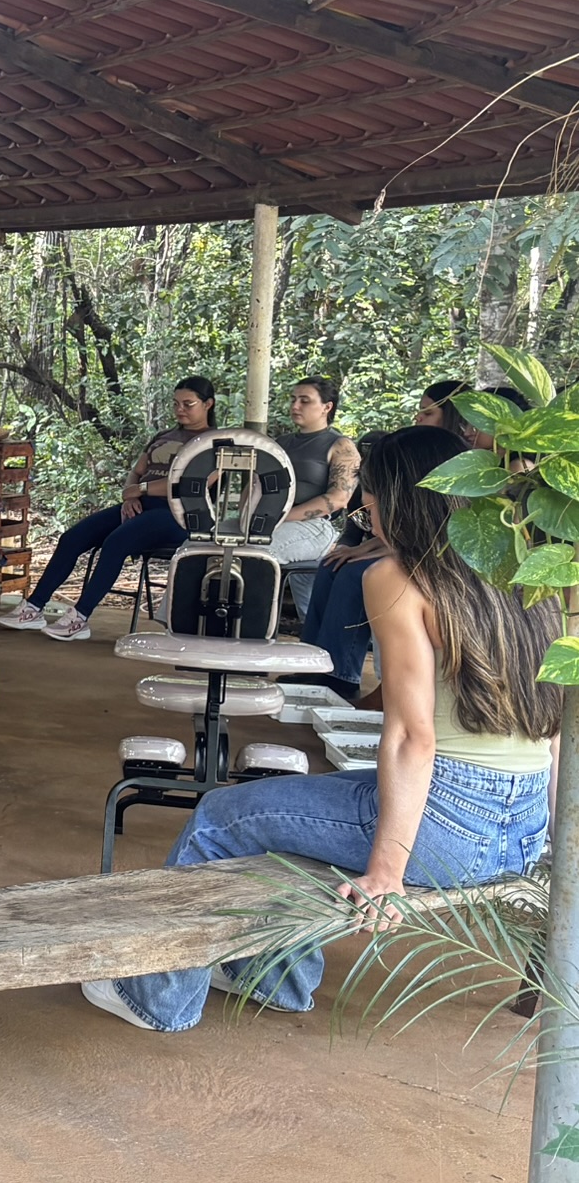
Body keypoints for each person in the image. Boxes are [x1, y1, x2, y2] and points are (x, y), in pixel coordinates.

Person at [83, 424, 556, 1032]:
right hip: (521, 829)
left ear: (402, 502)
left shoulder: (398, 578)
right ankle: (273, 976)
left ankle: (157, 997)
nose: (367, 514)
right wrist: (551, 839)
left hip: (443, 824)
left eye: (371, 501)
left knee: (220, 818)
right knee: (284, 811)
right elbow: (554, 731)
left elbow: (411, 736)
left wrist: (386, 873)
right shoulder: (527, 570)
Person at [0, 375, 217, 643]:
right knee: (72, 538)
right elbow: (137, 471)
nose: (180, 409)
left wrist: (142, 490)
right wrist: (130, 496)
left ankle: (79, 617)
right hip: (140, 506)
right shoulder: (164, 436)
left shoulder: (214, 442)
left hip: (178, 515)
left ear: (208, 404)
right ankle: (34, 607)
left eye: (188, 404)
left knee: (116, 542)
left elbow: (193, 484)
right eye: (176, 403)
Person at [287, 380, 468, 700]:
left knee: (357, 574)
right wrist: (355, 547)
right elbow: (383, 519)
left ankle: (341, 673)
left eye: (428, 413)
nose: (418, 417)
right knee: (334, 564)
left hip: (433, 552)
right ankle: (314, 662)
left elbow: (430, 527)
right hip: (400, 545)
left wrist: (372, 552)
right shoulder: (411, 449)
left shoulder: (456, 461)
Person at [266, 377, 360, 572]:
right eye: (293, 400)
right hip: (270, 520)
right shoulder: (281, 442)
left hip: (315, 526)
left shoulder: (341, 446)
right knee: (213, 541)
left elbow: (339, 499)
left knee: (256, 552)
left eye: (305, 401)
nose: (295, 406)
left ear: (327, 407)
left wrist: (280, 517)